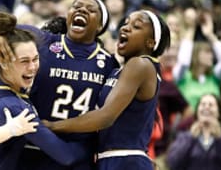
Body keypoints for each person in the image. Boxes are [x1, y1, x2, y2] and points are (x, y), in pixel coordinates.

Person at [0, 0, 119, 169]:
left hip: (76, 151)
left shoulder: (109, 64)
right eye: (76, 6)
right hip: (32, 144)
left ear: (100, 26)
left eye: (91, 9)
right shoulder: (43, 39)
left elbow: (108, 113)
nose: (81, 10)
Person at [0, 11, 91, 170]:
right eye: (24, 61)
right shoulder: (14, 107)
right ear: (4, 61)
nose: (33, 67)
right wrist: (93, 147)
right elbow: (66, 156)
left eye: (36, 59)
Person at [43, 10, 171, 170]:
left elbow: (106, 117)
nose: (125, 28)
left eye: (136, 27)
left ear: (150, 43)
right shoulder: (118, 70)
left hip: (126, 160)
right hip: (110, 159)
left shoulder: (140, 65)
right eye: (125, 23)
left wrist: (53, 126)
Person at [166, 94, 221, 170]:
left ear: (219, 112)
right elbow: (173, 163)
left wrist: (220, 139)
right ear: (197, 111)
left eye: (211, 105)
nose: (206, 107)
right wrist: (191, 137)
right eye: (203, 104)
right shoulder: (184, 137)